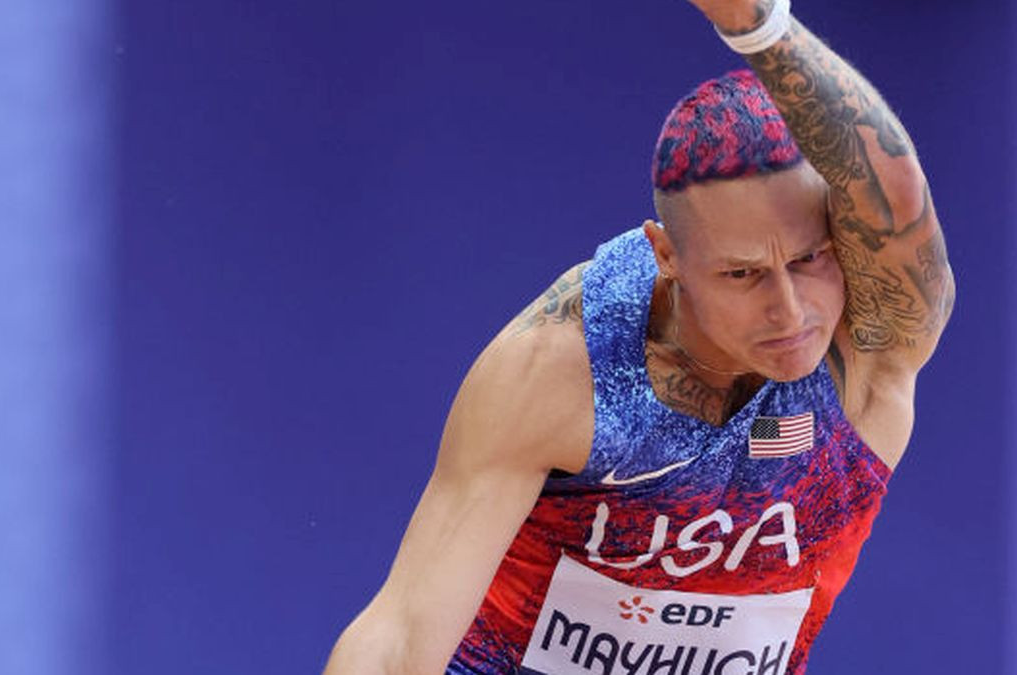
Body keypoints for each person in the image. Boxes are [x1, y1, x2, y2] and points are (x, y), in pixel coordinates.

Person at [325, 1, 954, 673]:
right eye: (742, 273)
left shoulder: (869, 341)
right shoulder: (559, 368)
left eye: (807, 259)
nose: (790, 309)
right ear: (667, 255)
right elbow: (399, 636)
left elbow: (895, 189)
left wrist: (764, 27)